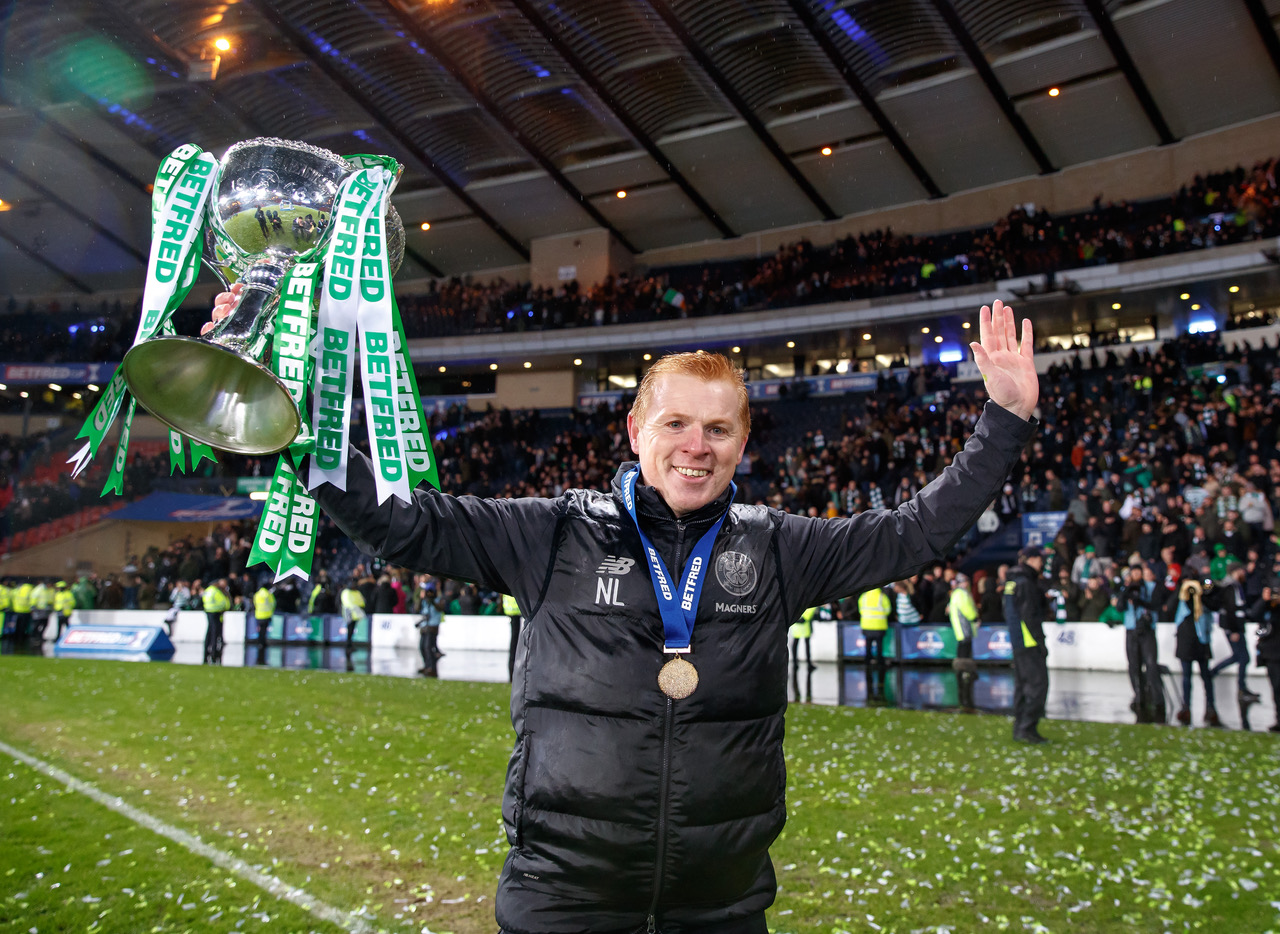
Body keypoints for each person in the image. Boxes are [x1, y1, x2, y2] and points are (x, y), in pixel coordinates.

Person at [214, 291, 1038, 933]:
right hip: (563, 902)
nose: (696, 445)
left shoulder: (779, 547)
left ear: (742, 444)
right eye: (675, 422)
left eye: (718, 429)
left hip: (720, 907)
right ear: (636, 428)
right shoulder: (553, 533)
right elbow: (404, 522)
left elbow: (914, 532)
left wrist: (1003, 420)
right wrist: (287, 411)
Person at [1006, 546, 1051, 743]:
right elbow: (1029, 615)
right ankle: (1027, 728)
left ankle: (1020, 728)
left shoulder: (1012, 581)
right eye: (1040, 559)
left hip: (1018, 640)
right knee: (1038, 685)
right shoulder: (1026, 583)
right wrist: (1040, 642)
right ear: (1031, 560)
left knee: (1022, 687)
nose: (1041, 563)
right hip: (1029, 640)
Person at [1209, 560, 1260, 703]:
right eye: (1241, 571)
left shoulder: (1234, 586)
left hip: (1235, 626)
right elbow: (1230, 609)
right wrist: (1234, 630)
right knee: (1243, 657)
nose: (1243, 573)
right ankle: (1240, 688)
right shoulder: (1230, 587)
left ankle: (1216, 674)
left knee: (1240, 656)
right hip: (1234, 627)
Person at [1119, 564, 1163, 722]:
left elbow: (1156, 605)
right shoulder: (1126, 589)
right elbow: (1119, 607)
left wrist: (1140, 601)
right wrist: (1126, 593)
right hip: (1131, 630)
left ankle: (1156, 698)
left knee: (1151, 664)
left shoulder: (1151, 587)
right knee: (1134, 665)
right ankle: (1139, 695)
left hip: (1147, 629)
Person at [1174, 579, 1219, 726]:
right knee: (1187, 677)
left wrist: (1201, 594)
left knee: (1205, 676)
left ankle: (1210, 707)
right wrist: (1184, 591)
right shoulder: (1183, 601)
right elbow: (1172, 605)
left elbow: (1214, 605)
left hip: (1200, 642)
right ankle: (1186, 706)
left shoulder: (1204, 600)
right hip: (1187, 641)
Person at [948, 572, 979, 711]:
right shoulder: (962, 594)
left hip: (961, 627)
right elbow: (967, 609)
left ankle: (963, 673)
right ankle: (964, 673)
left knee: (963, 648)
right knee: (964, 649)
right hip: (964, 626)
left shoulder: (957, 593)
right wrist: (974, 617)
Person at [416, 582, 444, 675]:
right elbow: (416, 609)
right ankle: (427, 666)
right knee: (422, 647)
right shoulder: (424, 601)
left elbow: (440, 608)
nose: (429, 594)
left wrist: (433, 602)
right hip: (424, 627)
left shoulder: (438, 600)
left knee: (429, 647)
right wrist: (421, 599)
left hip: (432, 627)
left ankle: (432, 668)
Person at [201, 578, 231, 663]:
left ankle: (206, 652)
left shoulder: (207, 590)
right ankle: (214, 652)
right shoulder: (217, 591)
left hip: (208, 611)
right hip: (217, 613)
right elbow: (223, 603)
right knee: (215, 633)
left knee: (209, 632)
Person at [339, 578, 366, 650]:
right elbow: (348, 603)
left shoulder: (357, 592)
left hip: (356, 614)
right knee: (350, 629)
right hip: (349, 614)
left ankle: (350, 644)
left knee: (352, 630)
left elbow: (362, 602)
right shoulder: (346, 592)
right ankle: (348, 645)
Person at [789, 606, 818, 671]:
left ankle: (796, 663)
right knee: (805, 644)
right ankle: (807, 663)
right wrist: (805, 617)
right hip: (803, 624)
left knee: (797, 643)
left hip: (798, 623)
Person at [501, 592, 521, 681]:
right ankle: (513, 675)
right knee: (515, 646)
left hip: (511, 613)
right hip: (518, 613)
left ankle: (511, 675)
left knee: (513, 646)